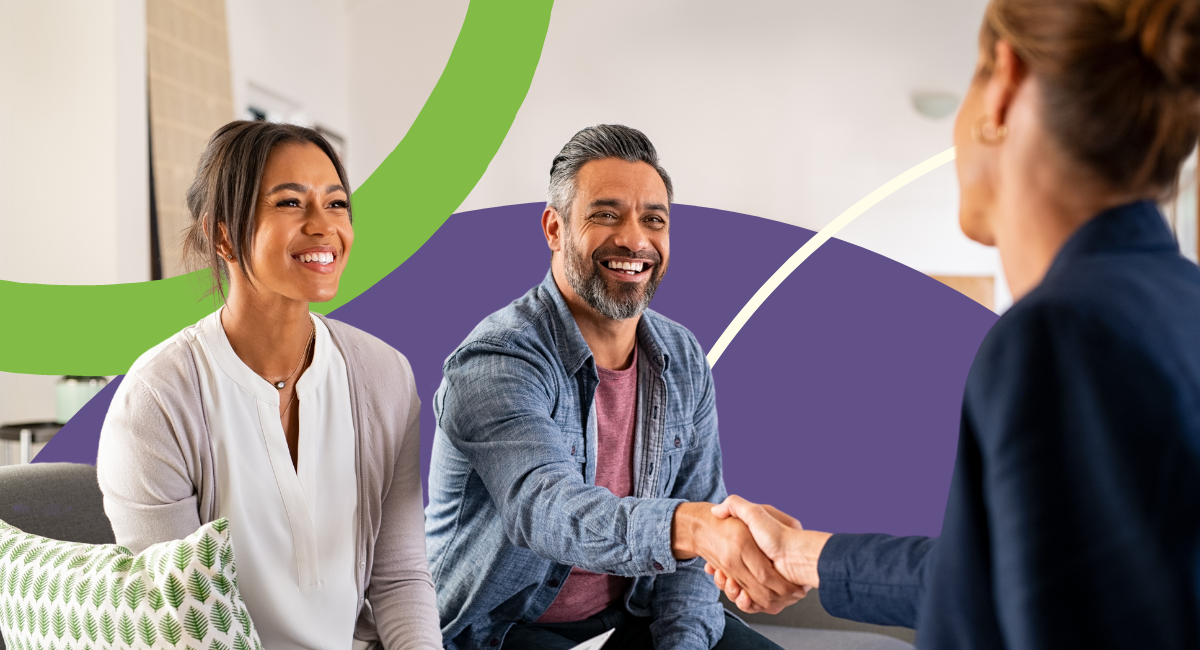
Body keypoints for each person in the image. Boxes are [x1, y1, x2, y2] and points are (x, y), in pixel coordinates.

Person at [706, 0, 1200, 648]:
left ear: (1004, 82)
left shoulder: (1061, 338)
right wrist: (803, 554)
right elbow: (1013, 576)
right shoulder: (1177, 303)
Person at [424, 125, 801, 650]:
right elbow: (547, 510)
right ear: (554, 228)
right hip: (501, 630)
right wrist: (692, 529)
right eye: (605, 215)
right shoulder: (497, 360)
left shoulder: (682, 355)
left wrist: (683, 644)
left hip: (627, 617)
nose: (634, 239)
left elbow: (695, 534)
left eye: (654, 220)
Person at [96, 121, 441, 650]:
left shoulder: (385, 376)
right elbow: (179, 620)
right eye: (289, 204)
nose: (323, 226)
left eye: (337, 204)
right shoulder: (158, 400)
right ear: (223, 235)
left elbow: (399, 579)